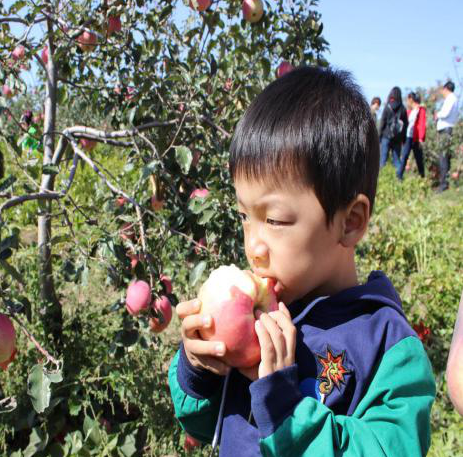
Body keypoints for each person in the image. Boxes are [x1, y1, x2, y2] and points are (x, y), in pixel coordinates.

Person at [168, 67, 435, 457]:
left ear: (351, 222)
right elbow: (205, 425)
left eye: (274, 220)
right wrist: (199, 370)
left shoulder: (388, 349)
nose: (253, 247)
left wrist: (285, 409)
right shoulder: (264, 320)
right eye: (245, 217)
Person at [434, 81, 459, 192]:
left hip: (445, 130)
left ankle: (443, 184)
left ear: (446, 89)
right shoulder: (455, 98)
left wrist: (437, 115)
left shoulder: (450, 98)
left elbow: (445, 113)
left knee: (443, 157)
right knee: (446, 156)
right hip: (448, 128)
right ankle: (445, 183)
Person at [378, 86, 408, 172]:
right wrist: (403, 139)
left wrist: (379, 136)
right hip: (397, 138)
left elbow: (382, 122)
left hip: (386, 136)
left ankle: (381, 178)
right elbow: (405, 124)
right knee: (396, 160)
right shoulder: (403, 108)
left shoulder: (387, 107)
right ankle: (399, 179)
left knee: (383, 160)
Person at [398, 92, 426, 179]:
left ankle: (422, 176)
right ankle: (399, 176)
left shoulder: (420, 110)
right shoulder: (409, 111)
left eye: (407, 99)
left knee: (419, 159)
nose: (407, 101)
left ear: (411, 99)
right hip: (408, 137)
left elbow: (422, 124)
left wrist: (421, 138)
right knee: (404, 156)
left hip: (416, 138)